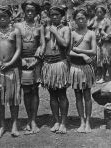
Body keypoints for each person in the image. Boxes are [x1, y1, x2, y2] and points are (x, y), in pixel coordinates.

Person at [0, 5, 22, 138]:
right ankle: (2, 125)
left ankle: (14, 124)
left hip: (12, 69)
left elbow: (18, 49)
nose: (2, 19)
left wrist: (10, 62)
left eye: (5, 17)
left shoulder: (15, 31)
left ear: (10, 17)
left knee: (14, 98)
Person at [15, 1, 45, 135]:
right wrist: (19, 60)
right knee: (26, 90)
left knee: (34, 90)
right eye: (27, 10)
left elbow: (42, 43)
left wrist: (38, 57)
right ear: (24, 11)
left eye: (32, 11)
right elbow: (14, 44)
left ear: (36, 12)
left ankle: (34, 120)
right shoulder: (17, 26)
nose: (30, 13)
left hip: (35, 61)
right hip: (22, 62)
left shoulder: (40, 27)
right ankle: (28, 118)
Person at [42, 5, 71, 134]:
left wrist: (55, 32)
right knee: (52, 95)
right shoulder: (45, 29)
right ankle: (56, 121)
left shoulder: (65, 29)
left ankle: (64, 123)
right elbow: (43, 45)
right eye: (52, 15)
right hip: (48, 64)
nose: (54, 17)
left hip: (60, 63)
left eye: (57, 15)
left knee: (62, 94)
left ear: (62, 16)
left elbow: (64, 44)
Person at [70, 8, 96, 133]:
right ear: (75, 20)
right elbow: (68, 51)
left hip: (86, 68)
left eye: (83, 18)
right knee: (78, 95)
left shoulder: (91, 33)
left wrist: (80, 51)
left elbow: (93, 51)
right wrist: (82, 56)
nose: (80, 21)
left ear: (87, 19)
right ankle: (81, 121)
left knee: (87, 95)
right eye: (78, 19)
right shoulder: (72, 33)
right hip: (75, 68)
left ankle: (88, 122)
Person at [91, 5, 111, 83]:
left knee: (103, 60)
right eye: (97, 12)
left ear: (104, 13)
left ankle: (103, 76)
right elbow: (89, 27)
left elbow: (108, 33)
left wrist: (102, 38)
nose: (99, 13)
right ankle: (96, 76)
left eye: (101, 12)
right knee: (95, 60)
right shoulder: (94, 20)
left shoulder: (106, 21)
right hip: (94, 42)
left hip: (103, 43)